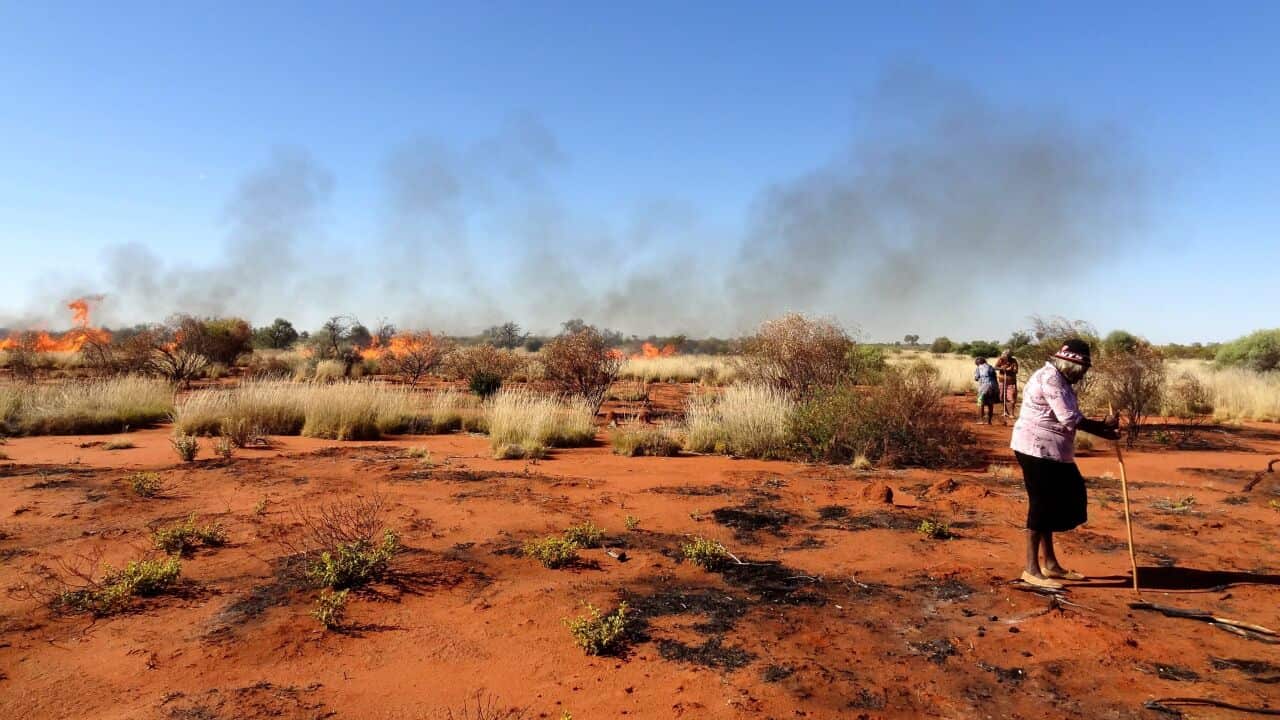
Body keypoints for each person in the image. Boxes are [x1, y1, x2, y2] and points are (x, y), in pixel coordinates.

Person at [1010, 339, 1119, 589]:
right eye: (1082, 370)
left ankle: (1049, 564)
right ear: (1071, 364)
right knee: (1041, 504)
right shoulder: (1051, 379)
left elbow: (1069, 418)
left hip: (1053, 450)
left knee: (1060, 500)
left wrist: (1104, 429)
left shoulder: (1061, 380)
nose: (1082, 376)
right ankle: (1031, 569)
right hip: (1035, 449)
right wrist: (1103, 428)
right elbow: (1069, 418)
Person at [973, 356, 999, 424]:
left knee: (980, 403)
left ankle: (981, 420)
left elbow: (976, 378)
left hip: (983, 387)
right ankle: (989, 421)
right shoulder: (990, 367)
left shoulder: (978, 368)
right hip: (993, 387)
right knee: (990, 404)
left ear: (978, 363)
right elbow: (995, 377)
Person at [994, 349, 1019, 420]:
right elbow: (995, 367)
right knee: (1001, 397)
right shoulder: (1000, 359)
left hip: (1011, 382)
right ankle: (1005, 411)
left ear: (1009, 356)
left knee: (1012, 398)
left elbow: (1016, 370)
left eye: (1006, 356)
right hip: (1002, 381)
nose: (1004, 357)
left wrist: (1010, 369)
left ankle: (1012, 413)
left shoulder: (1014, 361)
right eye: (1004, 356)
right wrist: (1002, 368)